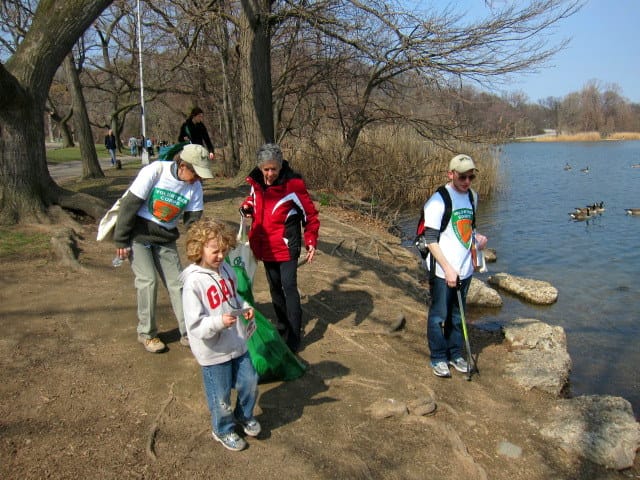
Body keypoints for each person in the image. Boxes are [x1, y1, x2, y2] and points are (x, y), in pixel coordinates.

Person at [113, 144, 214, 353]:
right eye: (196, 173)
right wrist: (121, 240)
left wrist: (202, 248)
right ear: (183, 165)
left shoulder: (194, 187)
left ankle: (189, 331)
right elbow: (129, 205)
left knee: (179, 284)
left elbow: (193, 223)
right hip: (138, 235)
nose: (198, 179)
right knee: (147, 281)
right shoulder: (155, 171)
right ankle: (147, 333)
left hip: (165, 238)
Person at [180, 219, 260, 452]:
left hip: (237, 341)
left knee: (250, 381)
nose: (220, 256)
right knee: (221, 395)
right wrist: (218, 322)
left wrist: (244, 306)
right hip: (213, 352)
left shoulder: (226, 269)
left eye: (224, 251)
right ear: (198, 248)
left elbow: (233, 298)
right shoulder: (193, 282)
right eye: (215, 251)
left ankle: (244, 416)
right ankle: (222, 429)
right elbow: (194, 325)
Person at [240, 143, 319, 353]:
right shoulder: (256, 182)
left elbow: (310, 215)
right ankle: (282, 326)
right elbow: (253, 200)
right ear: (260, 168)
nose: (270, 173)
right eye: (266, 169)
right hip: (265, 245)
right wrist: (247, 207)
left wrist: (311, 240)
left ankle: (294, 334)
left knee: (288, 286)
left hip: (286, 245)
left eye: (274, 169)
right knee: (274, 288)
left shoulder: (293, 185)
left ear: (280, 166)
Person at [422, 154, 488, 378]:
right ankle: (438, 357)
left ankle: (455, 353)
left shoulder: (472, 197)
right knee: (439, 315)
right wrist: (447, 268)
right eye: (462, 177)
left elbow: (468, 228)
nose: (467, 182)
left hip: (465, 269)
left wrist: (478, 239)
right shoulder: (438, 201)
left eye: (471, 177)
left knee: (458, 316)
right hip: (443, 270)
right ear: (450, 174)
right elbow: (430, 239)